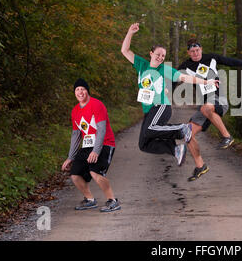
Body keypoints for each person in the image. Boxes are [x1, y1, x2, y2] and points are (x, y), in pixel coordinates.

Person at [121, 23, 219, 166]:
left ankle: (183, 128)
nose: (160, 57)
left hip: (161, 106)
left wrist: (206, 82)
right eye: (158, 54)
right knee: (144, 144)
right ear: (151, 54)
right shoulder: (141, 64)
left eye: (163, 55)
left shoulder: (164, 69)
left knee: (150, 129)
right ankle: (175, 149)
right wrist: (130, 32)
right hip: (148, 110)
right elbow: (125, 50)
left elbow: (184, 77)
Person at [177, 38, 242, 181]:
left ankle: (227, 136)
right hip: (204, 105)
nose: (195, 53)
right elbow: (171, 76)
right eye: (192, 51)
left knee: (207, 108)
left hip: (219, 99)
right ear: (188, 52)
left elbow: (230, 61)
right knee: (187, 132)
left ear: (201, 49)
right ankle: (200, 165)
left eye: (197, 50)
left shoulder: (211, 58)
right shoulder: (185, 66)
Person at [61, 78, 121, 212]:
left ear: (87, 91)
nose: (80, 92)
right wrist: (70, 157)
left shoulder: (96, 104)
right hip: (87, 146)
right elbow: (76, 135)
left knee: (95, 172)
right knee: (75, 174)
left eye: (83, 89)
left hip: (105, 143)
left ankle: (112, 200)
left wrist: (96, 151)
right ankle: (89, 200)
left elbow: (101, 129)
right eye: (77, 89)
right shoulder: (75, 111)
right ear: (74, 93)